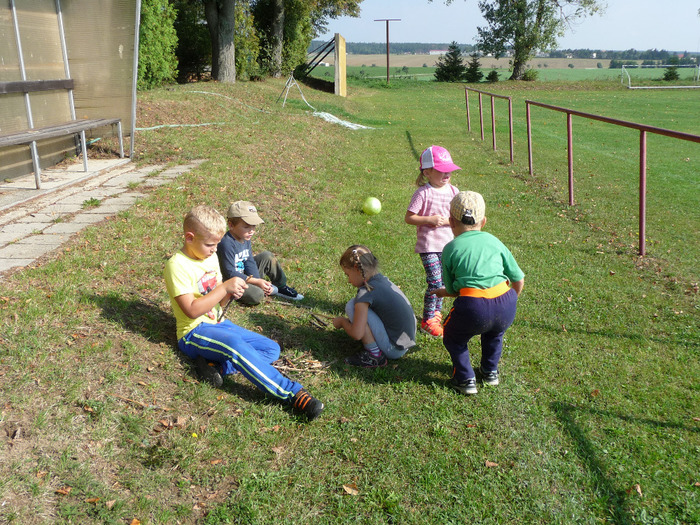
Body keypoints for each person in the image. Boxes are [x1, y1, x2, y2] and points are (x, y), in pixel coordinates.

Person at [164, 205, 324, 420]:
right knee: (235, 345)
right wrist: (224, 288)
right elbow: (192, 311)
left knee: (271, 349)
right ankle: (292, 394)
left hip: (219, 323)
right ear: (189, 237)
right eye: (210, 245)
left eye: (217, 244)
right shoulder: (177, 265)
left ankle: (215, 367)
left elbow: (219, 302)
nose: (215, 250)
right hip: (193, 333)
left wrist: (231, 293)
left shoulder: (210, 257)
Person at [432, 191, 524, 396]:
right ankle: (490, 372)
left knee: (453, 336)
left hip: (474, 306)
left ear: (451, 222)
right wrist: (511, 301)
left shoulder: (450, 248)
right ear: (483, 221)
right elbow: (518, 279)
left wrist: (441, 293)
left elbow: (454, 290)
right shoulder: (495, 241)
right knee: (494, 334)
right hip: (506, 302)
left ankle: (465, 379)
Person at [405, 145, 461, 338]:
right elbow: (409, 218)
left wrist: (448, 222)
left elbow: (457, 217)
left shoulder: (453, 191)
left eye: (449, 170)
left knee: (445, 282)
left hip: (448, 246)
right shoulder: (423, 193)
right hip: (428, 246)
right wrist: (428, 219)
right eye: (442, 170)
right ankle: (427, 320)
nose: (447, 174)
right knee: (435, 282)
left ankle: (436, 312)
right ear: (427, 172)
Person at [332, 245, 417, 368]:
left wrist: (342, 322)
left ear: (357, 268)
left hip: (393, 349)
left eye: (347, 275)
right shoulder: (382, 280)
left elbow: (357, 334)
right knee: (358, 306)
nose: (348, 281)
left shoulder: (365, 292)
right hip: (405, 343)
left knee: (352, 305)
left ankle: (374, 354)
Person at [218, 200, 303, 305]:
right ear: (231, 225)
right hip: (231, 282)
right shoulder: (226, 244)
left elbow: (249, 260)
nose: (251, 231)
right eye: (246, 227)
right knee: (257, 294)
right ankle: (235, 294)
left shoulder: (245, 237)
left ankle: (281, 287)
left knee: (267, 256)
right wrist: (256, 282)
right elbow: (229, 272)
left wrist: (257, 280)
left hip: (245, 276)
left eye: (254, 226)